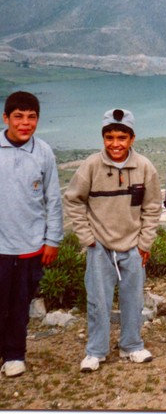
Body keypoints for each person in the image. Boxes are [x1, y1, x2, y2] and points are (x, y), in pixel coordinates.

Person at [63, 108, 162, 372]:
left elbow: (153, 207)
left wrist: (144, 243)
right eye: (109, 137)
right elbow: (73, 200)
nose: (115, 143)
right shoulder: (91, 166)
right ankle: (96, 351)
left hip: (132, 246)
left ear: (132, 139)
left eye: (121, 137)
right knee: (98, 300)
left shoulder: (144, 167)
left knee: (134, 299)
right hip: (100, 247)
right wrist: (87, 238)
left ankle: (132, 345)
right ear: (103, 138)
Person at [0, 91, 63, 378]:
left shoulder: (44, 152)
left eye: (31, 117)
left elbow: (53, 199)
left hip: (31, 245)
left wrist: (52, 240)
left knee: (19, 304)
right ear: (6, 118)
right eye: (18, 117)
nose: (25, 123)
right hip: (1, 245)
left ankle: (14, 355)